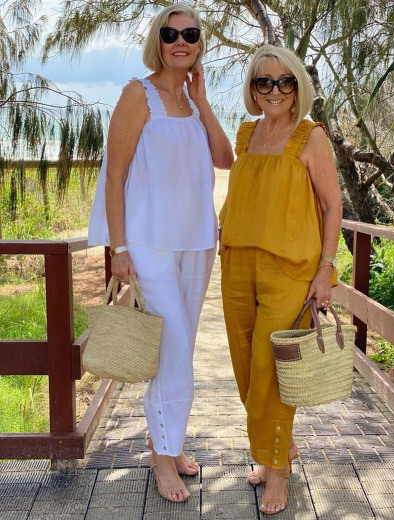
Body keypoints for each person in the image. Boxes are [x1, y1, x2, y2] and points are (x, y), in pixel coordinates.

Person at [88, 3, 233, 503]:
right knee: (171, 347)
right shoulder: (138, 93)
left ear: (199, 43)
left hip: (197, 240)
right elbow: (115, 176)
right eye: (171, 34)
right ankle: (162, 458)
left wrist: (204, 101)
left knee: (180, 347)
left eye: (190, 34)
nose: (181, 42)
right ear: (158, 41)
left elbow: (225, 158)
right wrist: (119, 246)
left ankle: (166, 443)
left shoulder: (193, 100)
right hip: (149, 241)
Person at [219, 45, 342, 515]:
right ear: (253, 89)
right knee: (245, 366)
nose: (274, 90)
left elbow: (332, 206)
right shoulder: (245, 134)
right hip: (237, 264)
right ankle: (280, 447)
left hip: (290, 270)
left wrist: (326, 269)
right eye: (263, 82)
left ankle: (277, 470)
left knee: (271, 371)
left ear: (297, 88)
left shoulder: (311, 137)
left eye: (284, 81)